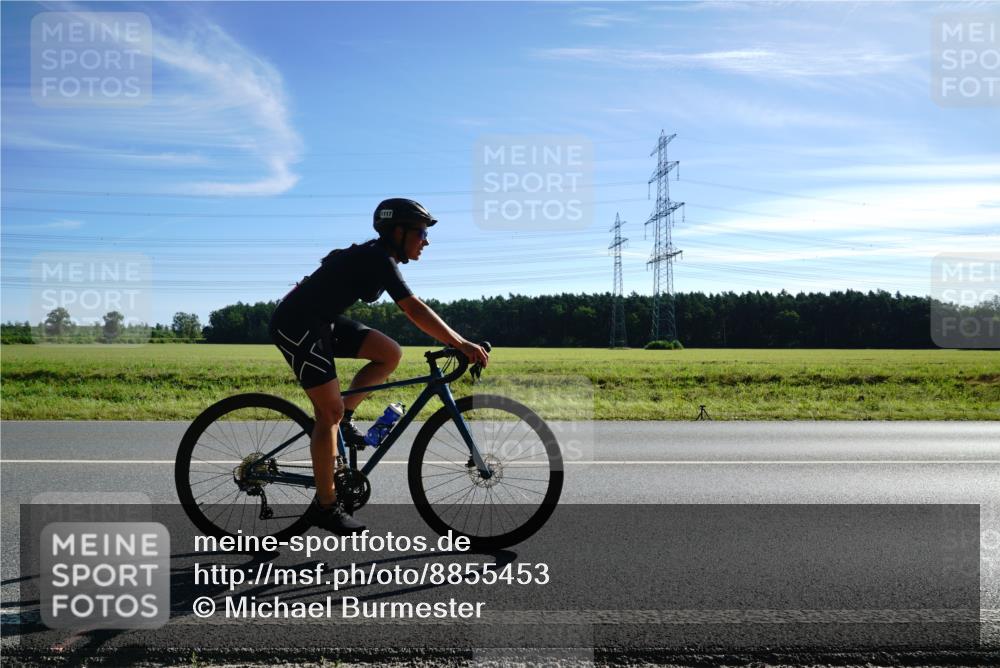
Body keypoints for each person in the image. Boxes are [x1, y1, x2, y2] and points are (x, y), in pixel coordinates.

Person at [268, 198, 489, 534]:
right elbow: (413, 309)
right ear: (398, 231)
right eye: (421, 233)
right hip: (296, 323)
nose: (426, 241)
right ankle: (326, 506)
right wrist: (460, 343)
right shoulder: (377, 257)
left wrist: (457, 342)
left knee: (389, 353)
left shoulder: (377, 256)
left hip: (321, 320)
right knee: (327, 413)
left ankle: (345, 419)